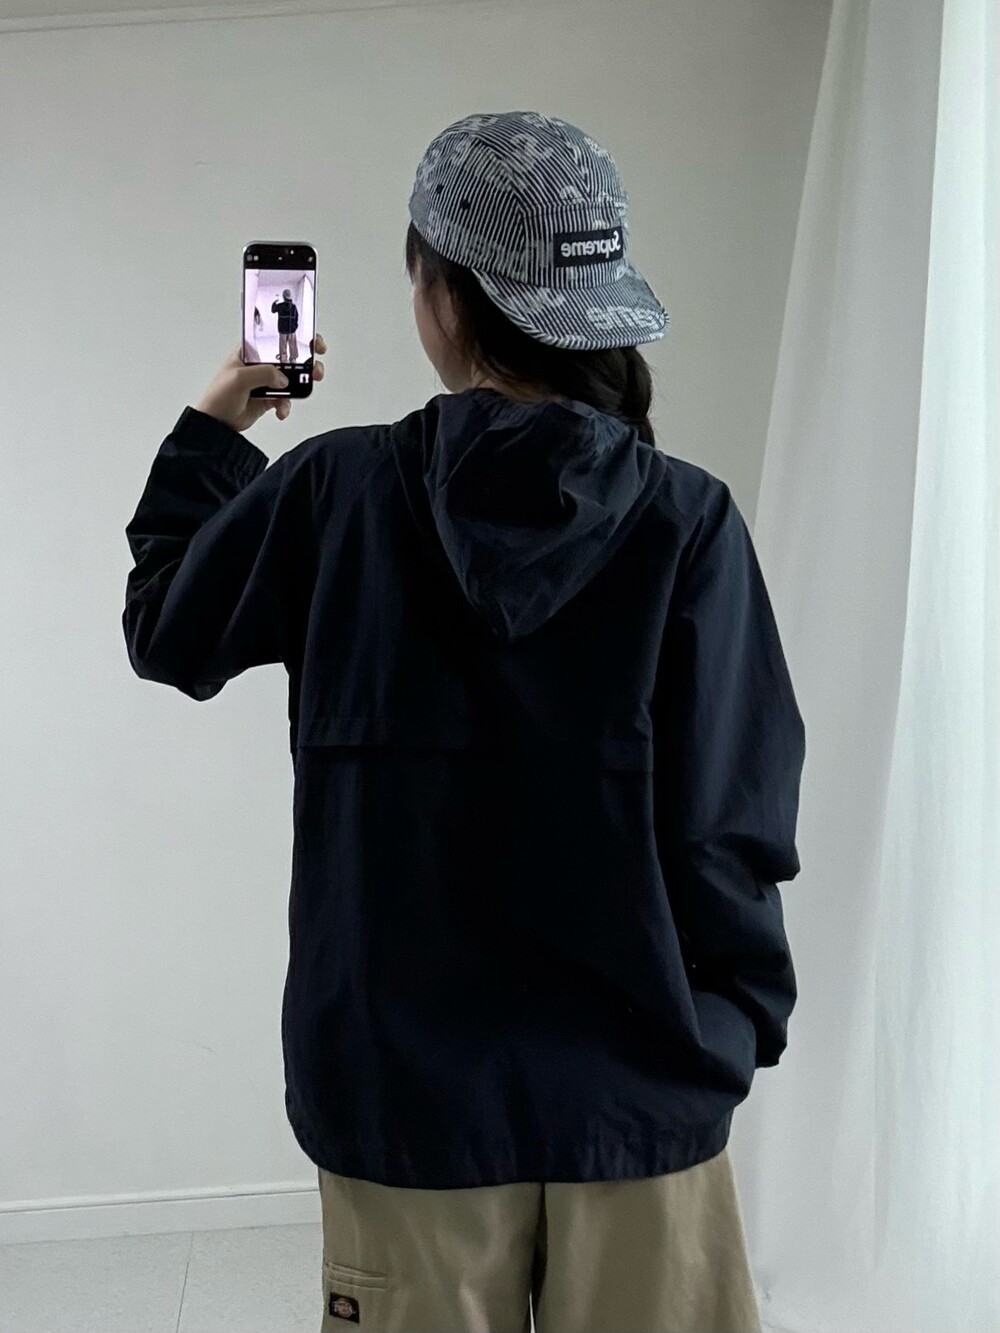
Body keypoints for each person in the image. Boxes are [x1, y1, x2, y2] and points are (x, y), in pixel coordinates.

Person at [122, 111, 806, 1333]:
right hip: (640, 1093)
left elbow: (167, 630)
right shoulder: (684, 520)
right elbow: (732, 818)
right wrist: (724, 1036)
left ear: (442, 297)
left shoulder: (333, 493)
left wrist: (216, 427)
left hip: (403, 1102)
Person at [271, 286, 299, 362]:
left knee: (282, 346)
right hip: (291, 330)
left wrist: (274, 303)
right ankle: (293, 359)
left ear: (283, 297)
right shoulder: (294, 307)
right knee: (293, 346)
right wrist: (295, 327)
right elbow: (296, 318)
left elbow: (273, 310)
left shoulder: (280, 306)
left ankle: (283, 360)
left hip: (282, 330)